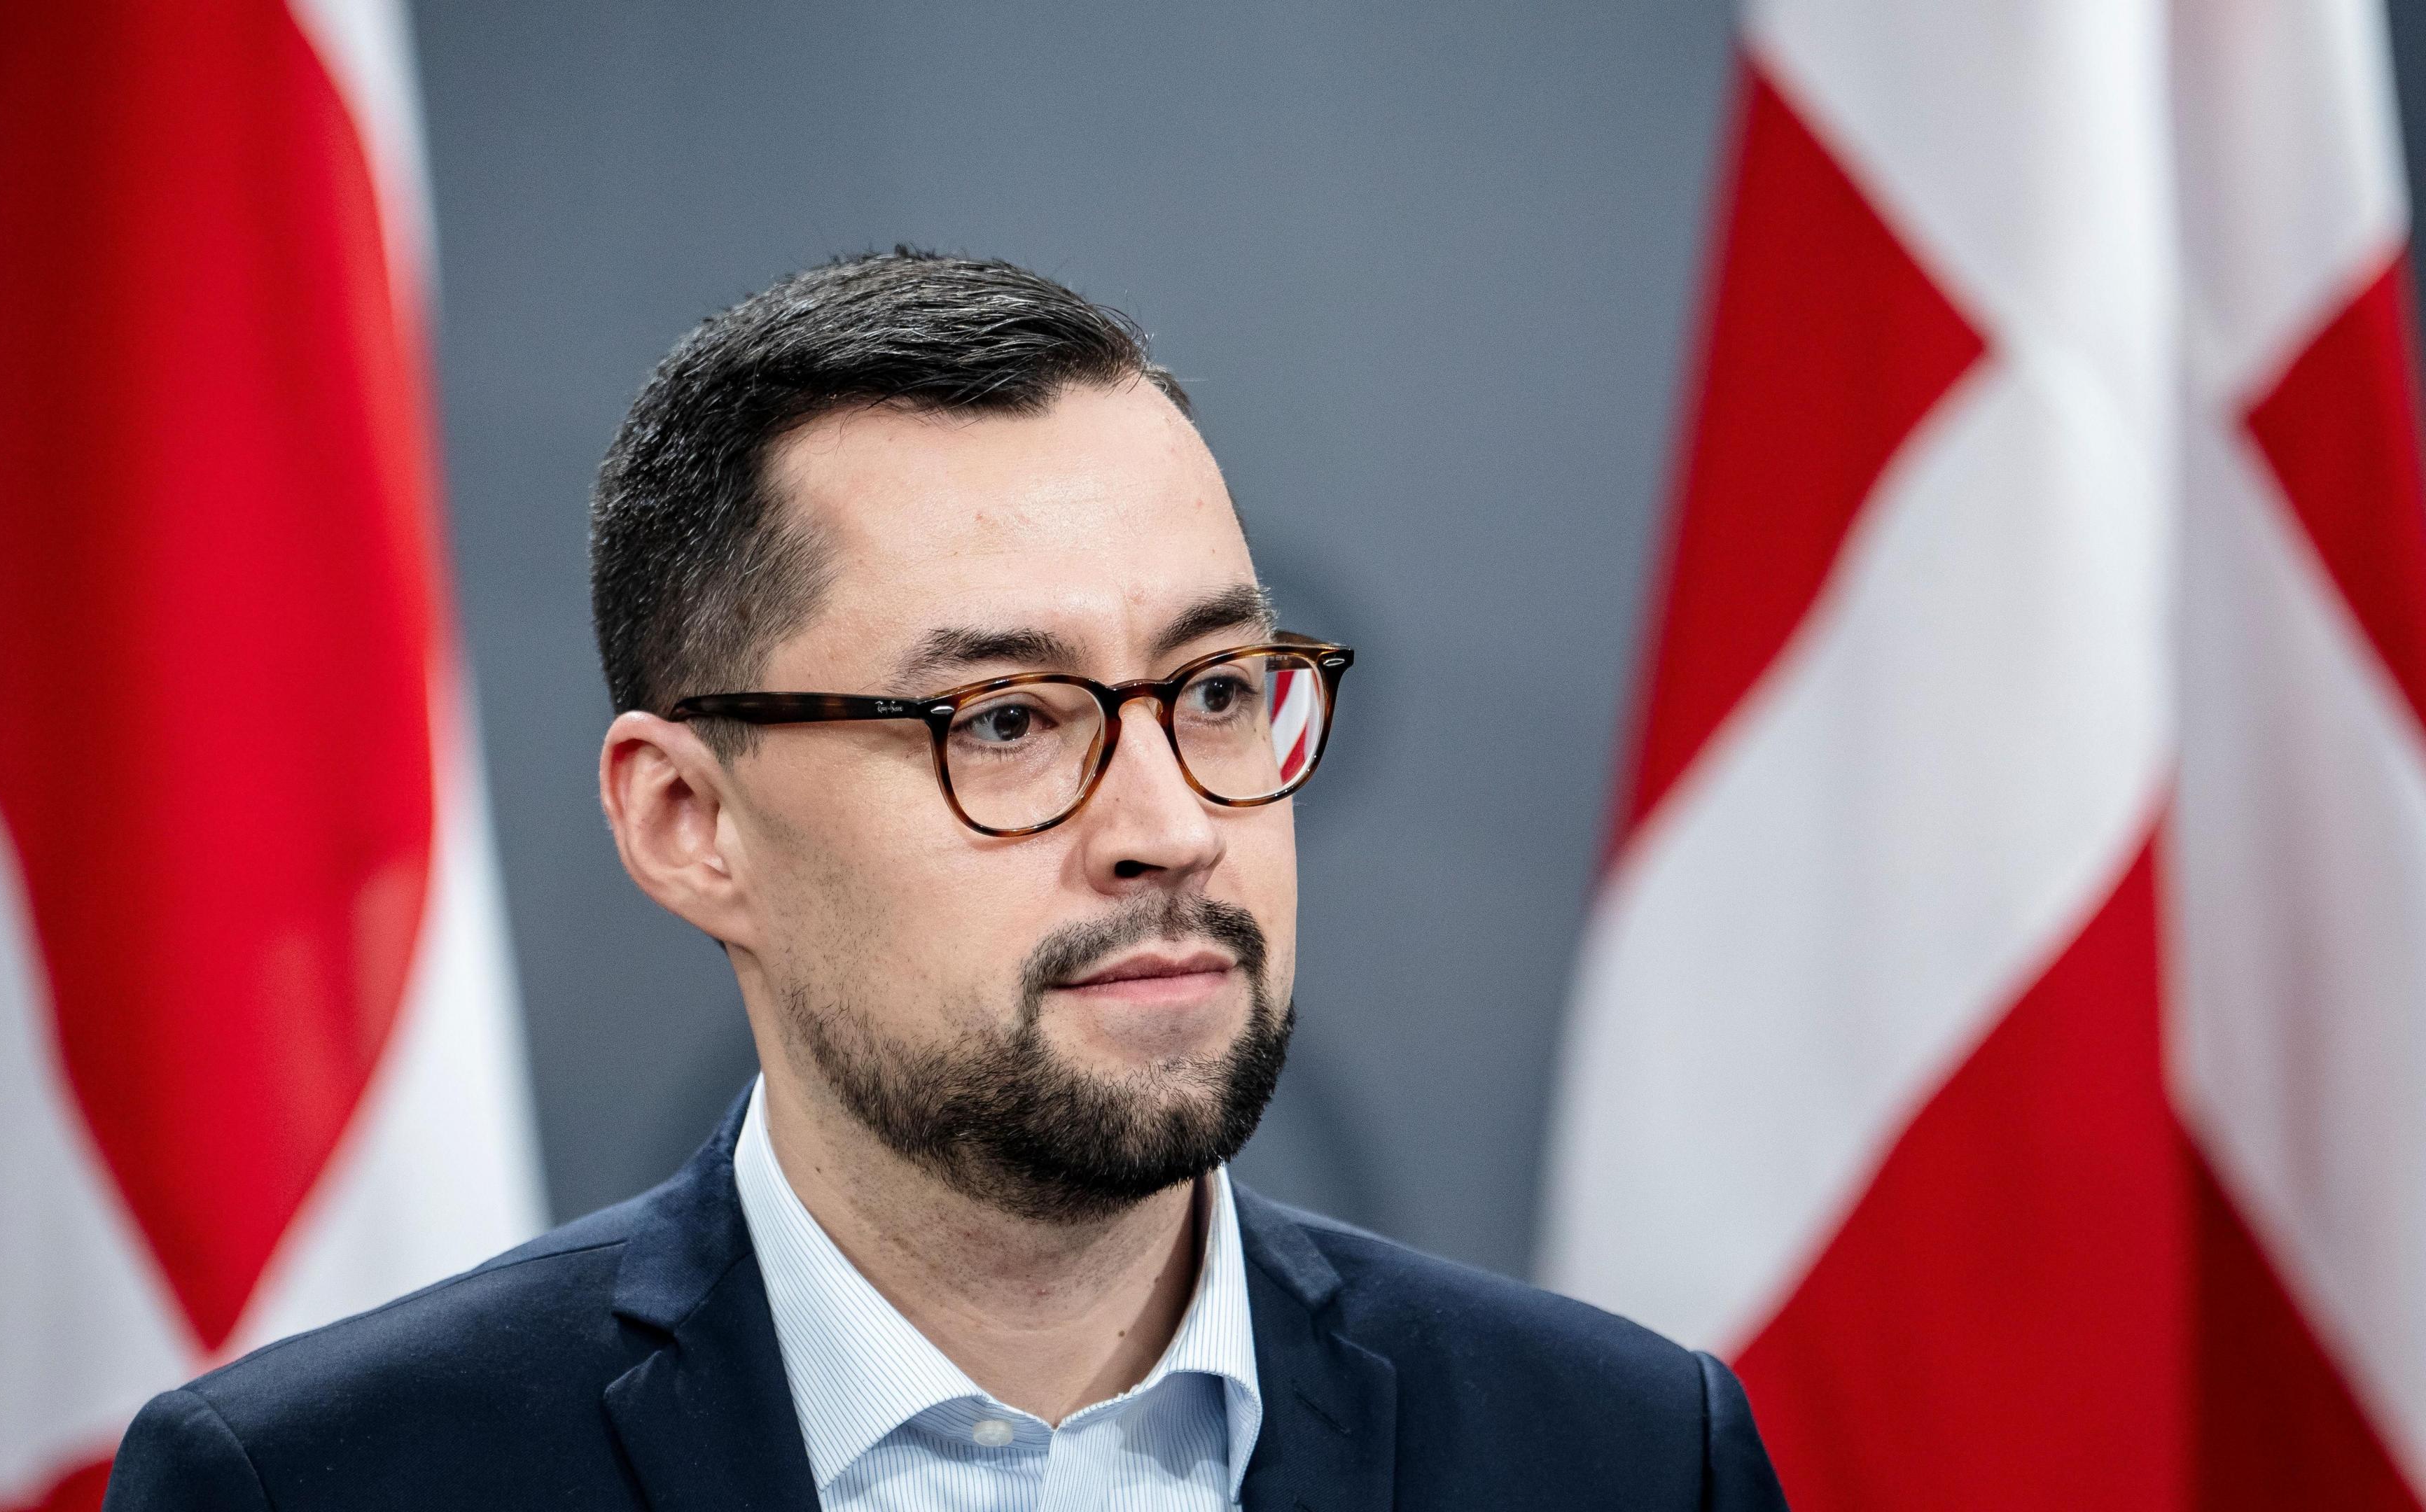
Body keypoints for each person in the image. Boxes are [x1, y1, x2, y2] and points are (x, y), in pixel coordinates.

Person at [103, 251, 1789, 1511]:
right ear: (692, 822)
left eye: (1213, 691)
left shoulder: (1629, 1458)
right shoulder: (324, 1488)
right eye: (1003, 721)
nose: (1170, 826)